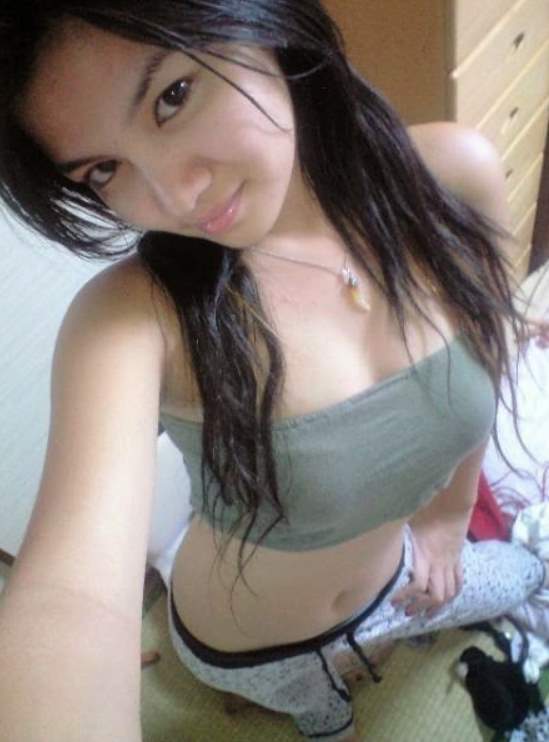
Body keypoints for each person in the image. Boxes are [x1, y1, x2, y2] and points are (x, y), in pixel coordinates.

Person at [0, 2, 548, 740]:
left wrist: (449, 518)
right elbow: (69, 598)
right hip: (244, 648)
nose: (173, 197)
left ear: (261, 20)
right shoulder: (131, 319)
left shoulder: (451, 176)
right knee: (322, 718)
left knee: (525, 576)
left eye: (172, 96)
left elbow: (484, 340)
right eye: (104, 169)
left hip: (405, 578)